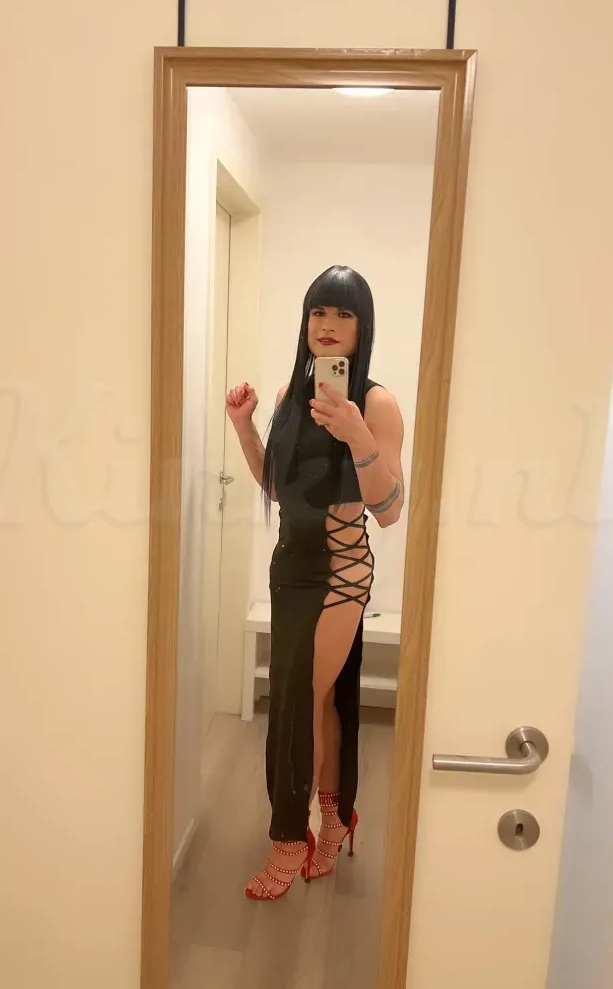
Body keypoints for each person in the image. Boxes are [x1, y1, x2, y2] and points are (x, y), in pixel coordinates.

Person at [225, 265, 405, 901]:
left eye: (343, 314)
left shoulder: (377, 403)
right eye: (318, 312)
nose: (327, 325)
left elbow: (390, 508)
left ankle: (289, 839)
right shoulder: (288, 395)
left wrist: (357, 434)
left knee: (298, 699)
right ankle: (333, 820)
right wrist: (244, 426)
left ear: (362, 327)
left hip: (341, 571)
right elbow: (276, 488)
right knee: (318, 700)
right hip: (290, 567)